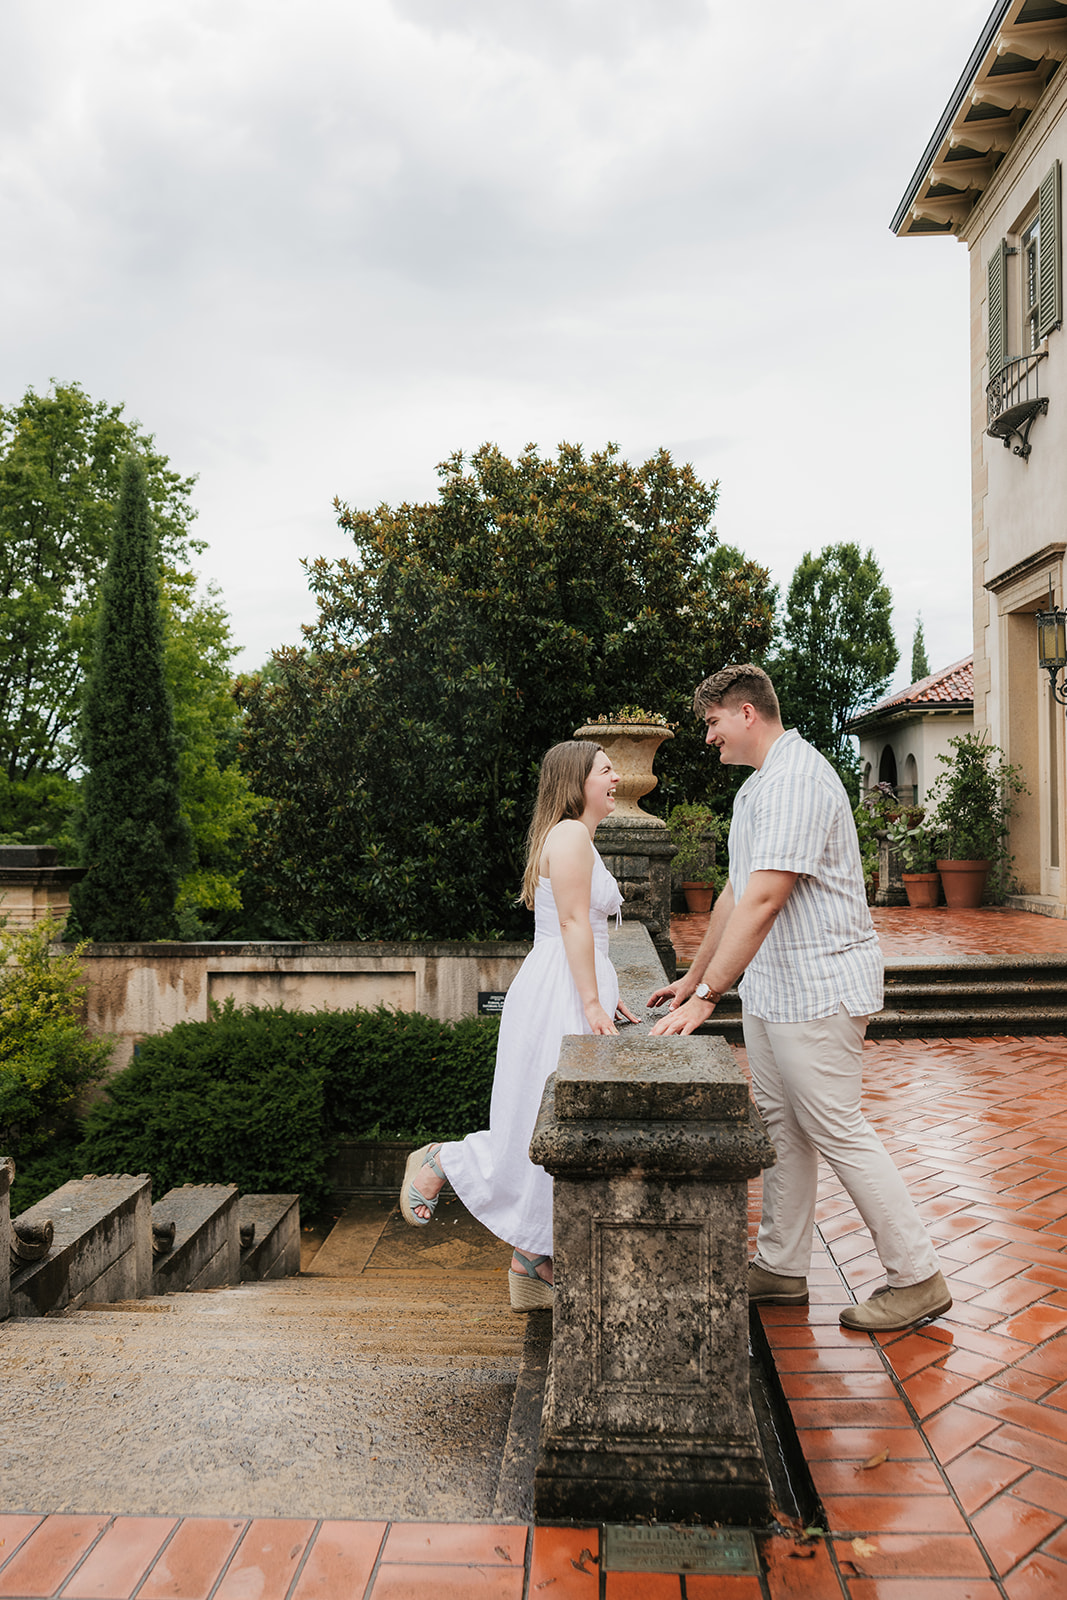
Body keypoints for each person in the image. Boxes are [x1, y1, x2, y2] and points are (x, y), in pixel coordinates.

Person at [648, 664, 950, 1334]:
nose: (709, 738)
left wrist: (708, 997)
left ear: (745, 713)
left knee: (836, 1127)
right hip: (776, 989)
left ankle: (917, 1276)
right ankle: (780, 1268)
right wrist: (691, 978)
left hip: (818, 989)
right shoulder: (761, 786)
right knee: (784, 1130)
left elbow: (765, 897)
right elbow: (733, 892)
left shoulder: (795, 779)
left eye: (712, 722)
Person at [399, 740, 639, 1311]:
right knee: (541, 1119)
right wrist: (592, 1002)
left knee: (544, 1116)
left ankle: (532, 1260)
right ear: (577, 780)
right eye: (606, 771)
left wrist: (610, 989)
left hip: (569, 979)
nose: (615, 779)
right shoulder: (572, 835)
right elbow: (576, 922)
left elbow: (590, 931)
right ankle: (442, 1160)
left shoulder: (574, 836)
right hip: (560, 987)